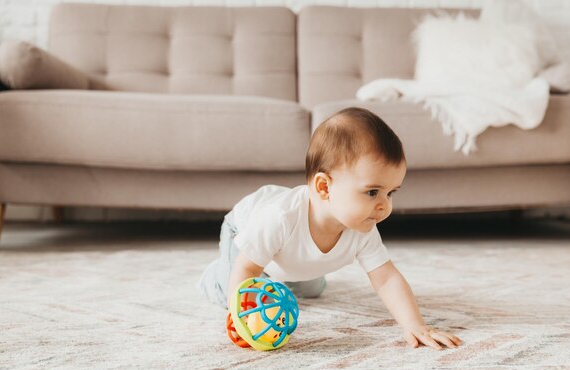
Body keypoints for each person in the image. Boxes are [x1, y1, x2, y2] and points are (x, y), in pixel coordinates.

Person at [198, 107, 462, 350]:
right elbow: (247, 268)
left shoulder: (363, 229)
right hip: (243, 232)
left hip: (289, 256)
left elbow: (386, 278)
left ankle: (284, 273)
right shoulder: (280, 218)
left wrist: (414, 324)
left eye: (391, 193)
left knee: (311, 289)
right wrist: (244, 315)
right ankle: (215, 276)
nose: (383, 206)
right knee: (243, 295)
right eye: (372, 192)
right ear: (324, 187)